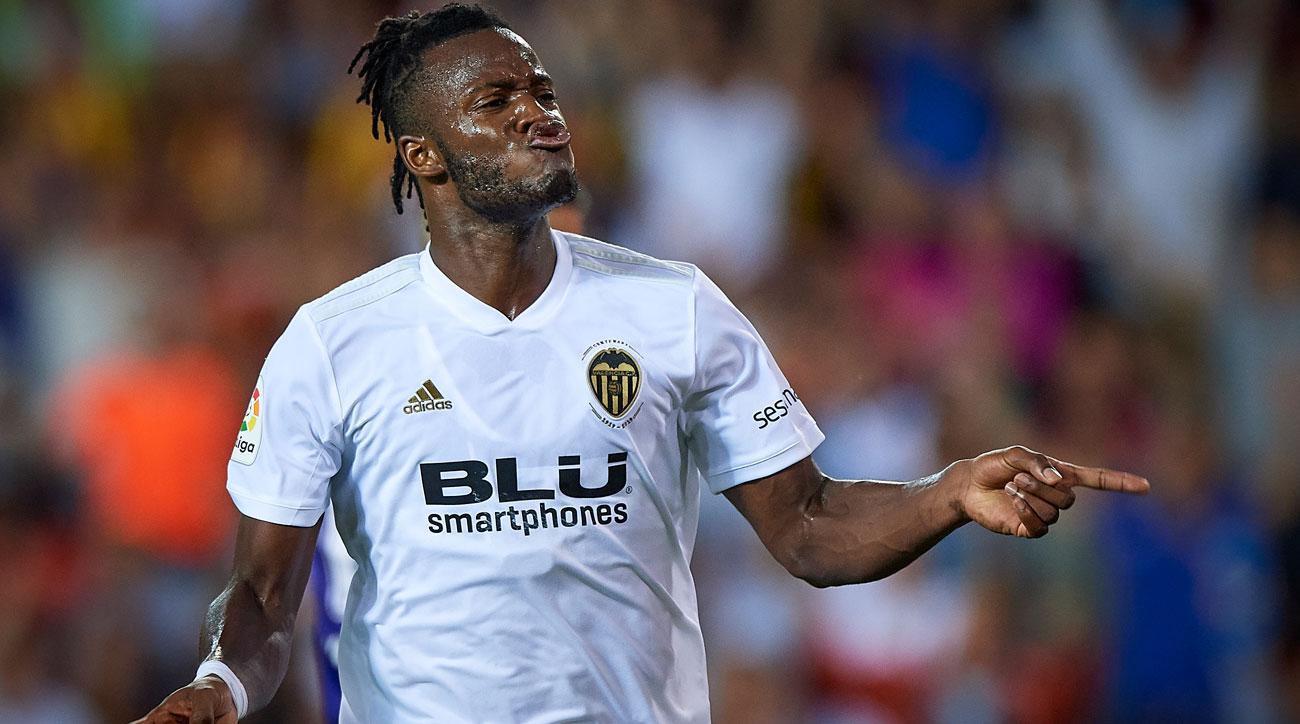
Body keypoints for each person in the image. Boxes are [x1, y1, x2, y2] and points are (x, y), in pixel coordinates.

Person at [133, 5, 1148, 723]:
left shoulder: (675, 308)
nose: (539, 111)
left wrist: (945, 492)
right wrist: (221, 686)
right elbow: (263, 594)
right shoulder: (332, 342)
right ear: (423, 155)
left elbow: (806, 526)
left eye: (542, 89)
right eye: (495, 98)